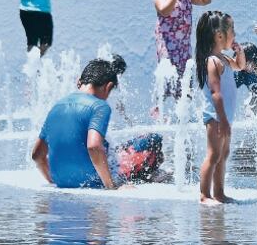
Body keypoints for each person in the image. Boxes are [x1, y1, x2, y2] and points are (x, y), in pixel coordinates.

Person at [31, 56, 164, 189]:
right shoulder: (99, 106)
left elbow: (37, 154)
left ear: (79, 82)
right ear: (108, 86)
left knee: (112, 148)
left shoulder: (57, 107)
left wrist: (53, 180)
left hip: (61, 181)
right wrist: (111, 186)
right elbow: (94, 146)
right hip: (93, 180)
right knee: (152, 140)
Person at [197, 10, 245, 205]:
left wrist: (239, 51)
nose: (234, 33)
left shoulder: (224, 59)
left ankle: (219, 193)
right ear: (219, 35)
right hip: (216, 116)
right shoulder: (213, 61)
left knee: (223, 154)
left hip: (225, 117)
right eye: (232, 29)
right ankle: (204, 195)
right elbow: (216, 94)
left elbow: (240, 66)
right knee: (214, 154)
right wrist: (222, 119)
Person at [153, 0, 212, 98]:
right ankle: (158, 109)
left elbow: (205, 0)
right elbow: (164, 10)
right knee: (167, 75)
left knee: (184, 81)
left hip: (184, 45)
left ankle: (181, 114)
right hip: (167, 44)